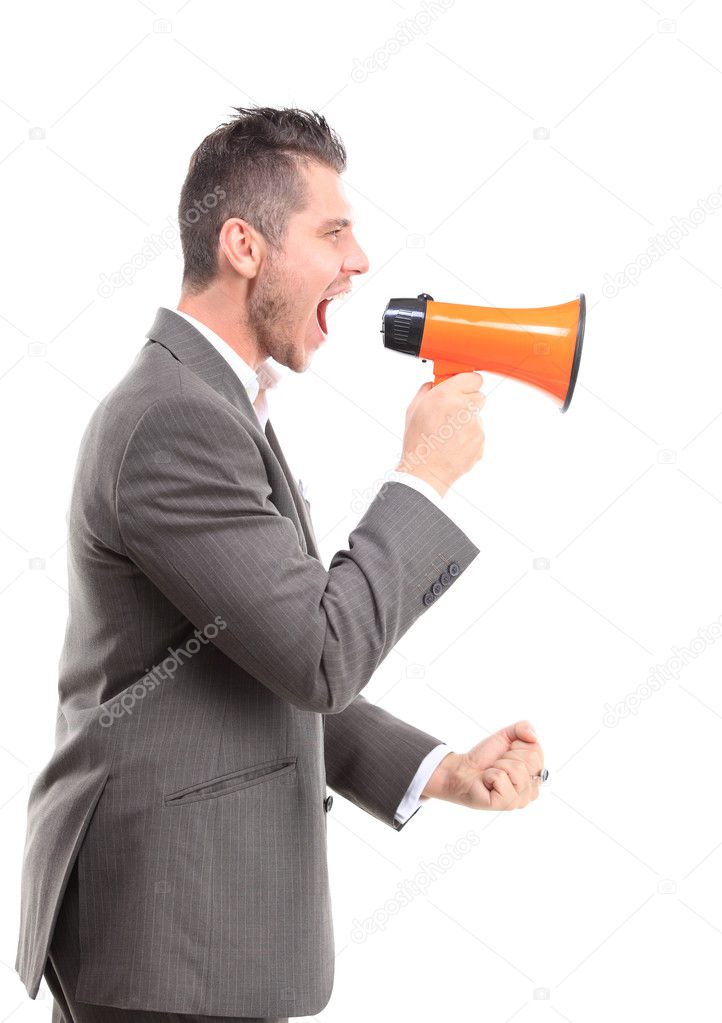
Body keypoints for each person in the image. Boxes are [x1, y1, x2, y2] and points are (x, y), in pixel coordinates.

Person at [15, 106, 545, 1023]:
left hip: (187, 943)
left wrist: (437, 770)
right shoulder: (174, 421)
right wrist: (421, 479)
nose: (361, 259)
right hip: (167, 946)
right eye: (333, 231)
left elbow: (261, 658)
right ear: (244, 247)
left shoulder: (212, 406)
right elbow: (318, 651)